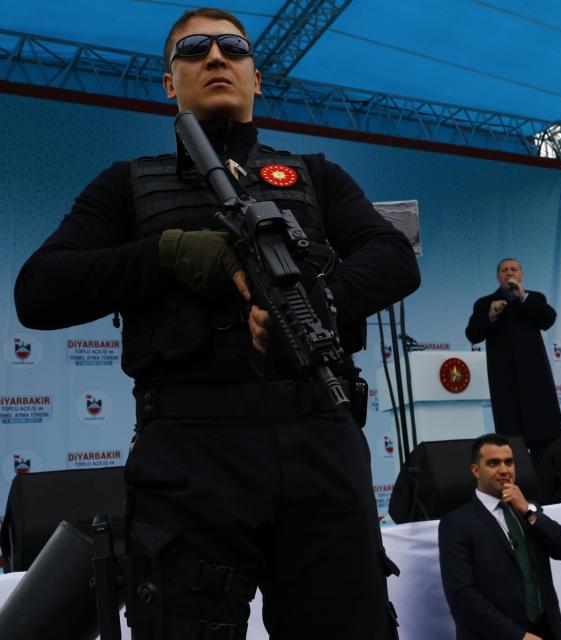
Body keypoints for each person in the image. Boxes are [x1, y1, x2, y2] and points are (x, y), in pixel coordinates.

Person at [14, 8, 419, 639]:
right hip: (191, 456)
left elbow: (393, 257)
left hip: (320, 437)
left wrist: (319, 303)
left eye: (233, 47)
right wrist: (171, 255)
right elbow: (39, 292)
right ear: (168, 84)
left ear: (257, 78)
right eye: (193, 49)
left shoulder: (315, 174)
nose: (215, 57)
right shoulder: (126, 185)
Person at [438, 434, 561, 640]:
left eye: (509, 462)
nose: (504, 470)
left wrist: (528, 512)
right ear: (476, 470)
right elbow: (462, 597)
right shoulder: (457, 523)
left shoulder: (528, 511)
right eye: (493, 463)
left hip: (546, 631)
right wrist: (518, 636)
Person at [465, 259, 561, 463]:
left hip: (536, 382)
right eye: (504, 270)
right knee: (511, 444)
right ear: (497, 276)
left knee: (545, 442)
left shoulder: (534, 298)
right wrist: (491, 316)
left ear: (521, 274)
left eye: (514, 269)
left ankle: (549, 490)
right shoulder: (485, 303)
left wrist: (523, 297)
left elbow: (548, 320)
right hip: (505, 383)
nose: (509, 273)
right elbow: (473, 334)